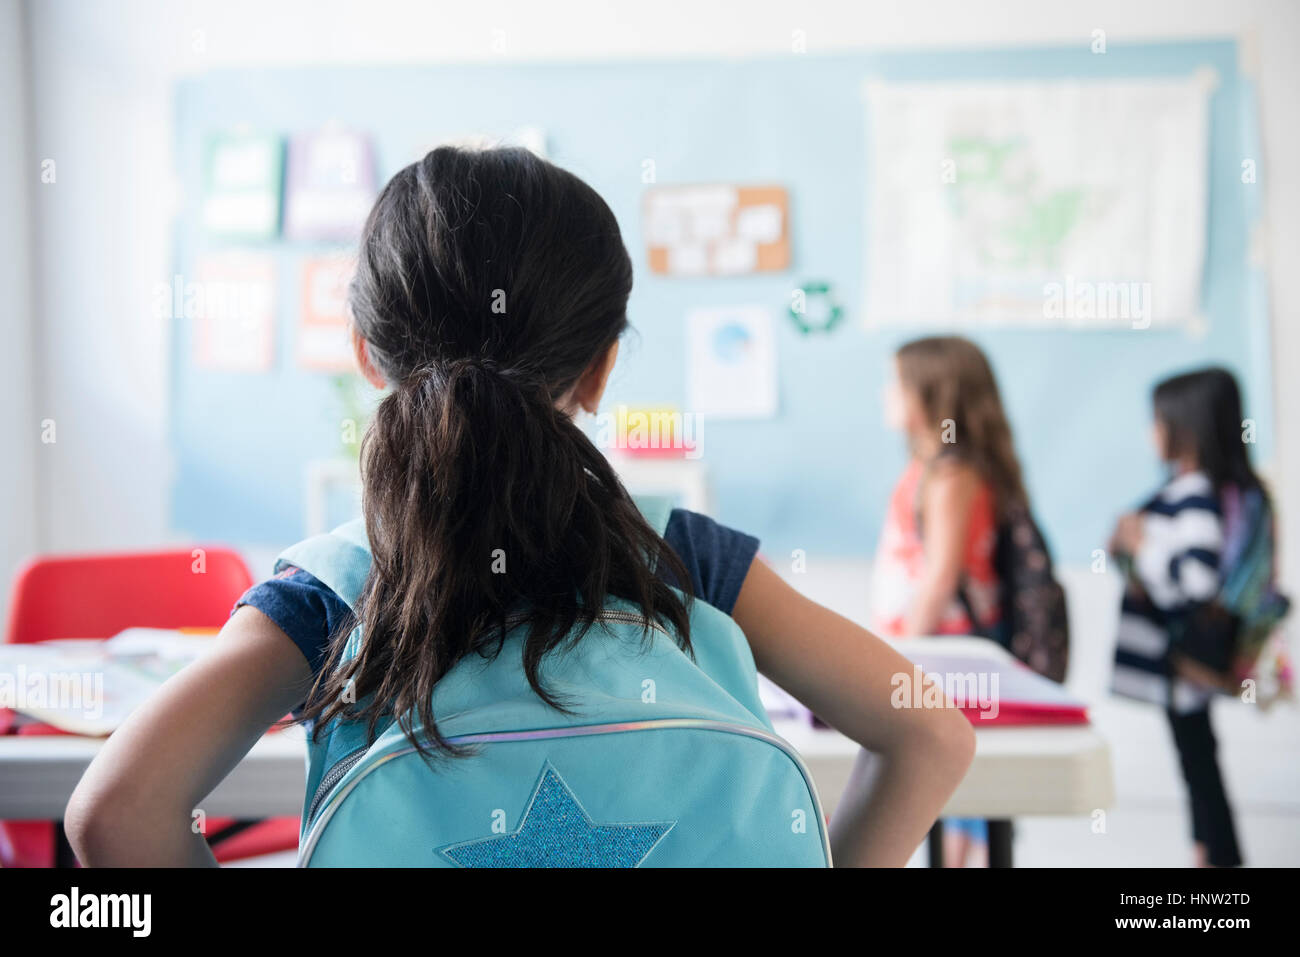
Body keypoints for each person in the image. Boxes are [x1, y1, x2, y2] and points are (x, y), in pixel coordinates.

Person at [65, 146, 974, 867]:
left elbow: (116, 813)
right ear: (602, 366)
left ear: (366, 354)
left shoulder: (331, 592)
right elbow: (929, 733)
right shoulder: (687, 561)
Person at [871, 335, 1031, 867]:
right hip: (939, 654)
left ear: (932, 395)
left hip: (947, 654)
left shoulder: (952, 475)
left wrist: (897, 653)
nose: (885, 393)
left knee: (955, 795)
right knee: (952, 795)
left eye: (897, 382)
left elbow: (940, 578)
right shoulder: (936, 468)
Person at [1110, 367, 1267, 868]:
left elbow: (1196, 582)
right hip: (1180, 666)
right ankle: (1209, 855)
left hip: (1181, 667)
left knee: (1198, 765)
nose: (1150, 432)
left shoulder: (1194, 494)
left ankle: (1215, 862)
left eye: (1157, 421)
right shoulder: (1201, 490)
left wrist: (1142, 546)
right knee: (1198, 762)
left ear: (1187, 426)